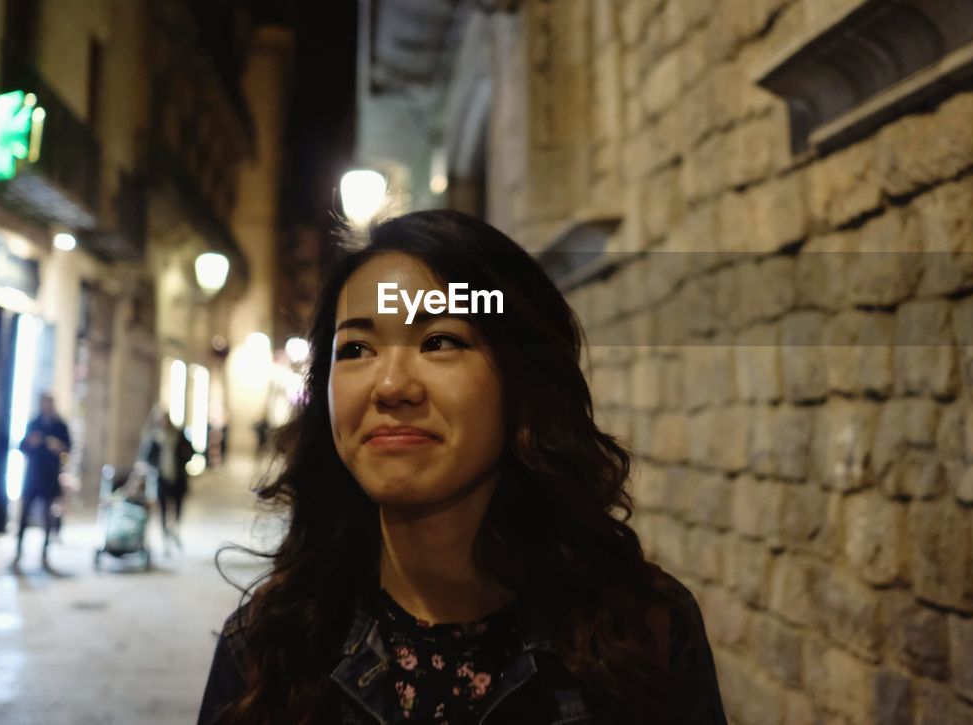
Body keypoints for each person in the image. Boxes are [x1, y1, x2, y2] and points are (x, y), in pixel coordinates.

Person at [198, 210, 726, 724]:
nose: (390, 386)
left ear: (522, 383)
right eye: (356, 348)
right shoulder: (268, 651)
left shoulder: (643, 638)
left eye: (440, 342)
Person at [12, 393, 71, 572]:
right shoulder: (34, 424)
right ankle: (18, 552)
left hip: (49, 476)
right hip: (32, 477)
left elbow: (68, 451)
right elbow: (22, 447)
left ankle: (44, 553)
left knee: (48, 517)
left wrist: (58, 447)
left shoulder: (60, 426)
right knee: (24, 516)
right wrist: (31, 442)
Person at [138, 404, 191, 554]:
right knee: (162, 509)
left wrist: (182, 458)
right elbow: (146, 457)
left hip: (177, 477)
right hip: (161, 478)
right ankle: (165, 539)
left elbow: (189, 451)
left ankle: (175, 530)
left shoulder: (178, 434)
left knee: (177, 508)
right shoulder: (153, 437)